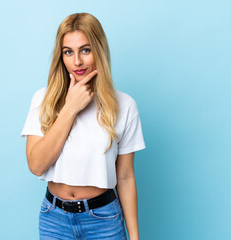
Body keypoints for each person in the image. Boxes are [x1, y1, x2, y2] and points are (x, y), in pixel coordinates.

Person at [21, 12, 146, 240]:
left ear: (98, 51)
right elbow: (36, 165)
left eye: (85, 50)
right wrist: (70, 108)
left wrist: (135, 236)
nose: (77, 61)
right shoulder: (43, 99)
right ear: (61, 56)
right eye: (69, 52)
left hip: (103, 220)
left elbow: (126, 177)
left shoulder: (125, 105)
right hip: (54, 220)